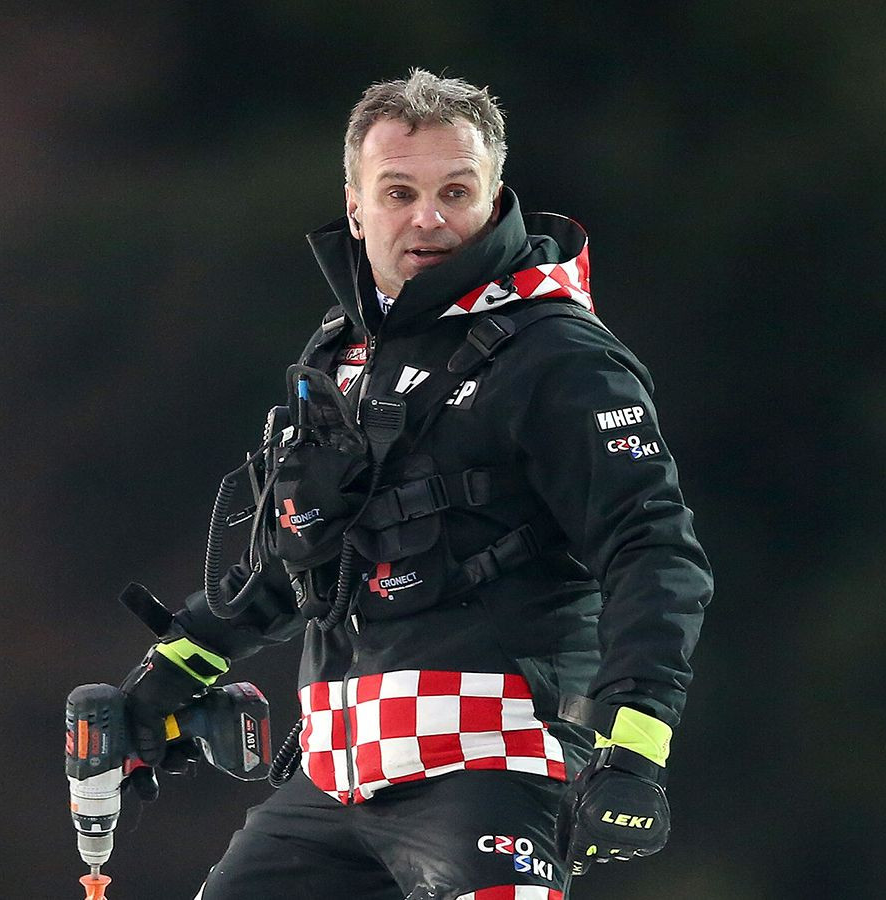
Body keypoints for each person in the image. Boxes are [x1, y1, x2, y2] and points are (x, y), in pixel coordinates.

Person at [120, 69, 713, 900]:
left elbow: (653, 550)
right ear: (356, 206)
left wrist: (635, 750)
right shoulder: (341, 350)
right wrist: (181, 661)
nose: (428, 218)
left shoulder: (558, 355)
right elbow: (307, 552)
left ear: (494, 199)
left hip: (496, 766)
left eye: (454, 192)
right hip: (336, 783)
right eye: (399, 192)